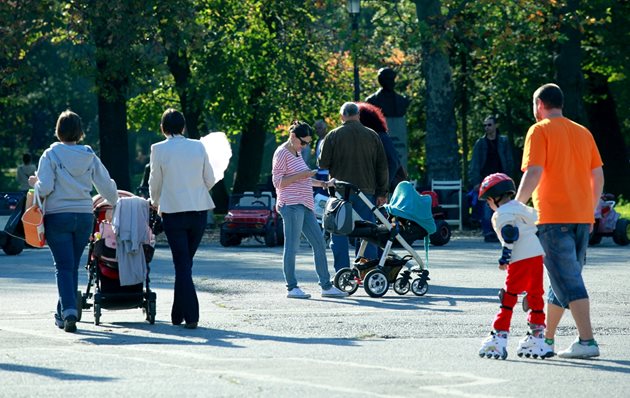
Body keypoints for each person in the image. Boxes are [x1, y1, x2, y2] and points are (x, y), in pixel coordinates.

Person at [516, 83, 604, 359]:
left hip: (553, 218)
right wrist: (590, 211)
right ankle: (547, 339)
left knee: (569, 282)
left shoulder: (539, 130)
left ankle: (587, 341)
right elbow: (598, 176)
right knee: (561, 283)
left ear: (540, 104)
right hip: (581, 218)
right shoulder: (582, 132)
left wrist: (516, 207)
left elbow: (534, 171)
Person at [28, 110, 118, 333]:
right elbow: (107, 188)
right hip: (84, 216)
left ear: (59, 131)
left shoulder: (50, 154)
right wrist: (113, 200)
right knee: (71, 266)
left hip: (58, 215)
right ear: (79, 132)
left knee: (63, 266)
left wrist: (35, 182)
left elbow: (46, 187)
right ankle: (64, 311)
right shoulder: (89, 155)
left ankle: (69, 311)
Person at [149, 108, 216, 329]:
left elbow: (155, 182)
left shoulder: (158, 149)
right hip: (198, 211)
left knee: (182, 264)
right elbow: (210, 179)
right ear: (184, 127)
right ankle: (177, 315)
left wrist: (155, 200)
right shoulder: (198, 146)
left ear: (163, 128)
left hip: (173, 212)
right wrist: (195, 190)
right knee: (185, 264)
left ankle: (192, 315)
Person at [477, 173, 553, 360]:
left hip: (519, 258)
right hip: (536, 255)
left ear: (492, 199)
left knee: (509, 296)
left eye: (488, 201)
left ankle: (499, 337)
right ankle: (538, 338)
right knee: (535, 294)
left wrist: (505, 258)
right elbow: (540, 223)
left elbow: (510, 234)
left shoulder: (500, 214)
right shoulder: (522, 207)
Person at [271, 121, 347, 299]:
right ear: (293, 136)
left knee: (319, 243)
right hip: (290, 205)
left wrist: (323, 183)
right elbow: (278, 183)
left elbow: (303, 180)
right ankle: (292, 287)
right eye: (303, 142)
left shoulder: (297, 152)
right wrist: (303, 175)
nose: (305, 146)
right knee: (292, 246)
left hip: (305, 205)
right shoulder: (282, 153)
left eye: (307, 143)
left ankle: (326, 286)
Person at [318, 102, 389, 271]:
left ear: (342, 116)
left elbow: (323, 163)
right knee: (367, 232)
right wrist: (382, 192)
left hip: (341, 192)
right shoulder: (372, 135)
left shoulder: (333, 135)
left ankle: (342, 272)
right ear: (358, 116)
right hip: (366, 191)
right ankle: (367, 270)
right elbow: (382, 166)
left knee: (339, 232)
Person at [468, 115, 514, 242]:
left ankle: (503, 231)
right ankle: (488, 232)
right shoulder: (480, 143)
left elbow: (509, 161)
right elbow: (475, 164)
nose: (486, 127)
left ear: (495, 126)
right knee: (486, 207)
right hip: (486, 181)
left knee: (504, 206)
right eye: (485, 125)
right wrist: (476, 182)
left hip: (501, 180)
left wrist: (509, 179)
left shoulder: (503, 142)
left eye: (489, 125)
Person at [357, 102, 406, 193]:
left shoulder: (381, 137)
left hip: (388, 190)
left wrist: (383, 187)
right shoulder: (369, 137)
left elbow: (393, 162)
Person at [312, 119, 329, 196]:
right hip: (319, 174)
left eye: (319, 128)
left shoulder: (329, 139)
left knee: (322, 196)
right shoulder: (318, 141)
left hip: (327, 174)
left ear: (325, 128)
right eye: (316, 128)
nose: (317, 130)